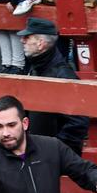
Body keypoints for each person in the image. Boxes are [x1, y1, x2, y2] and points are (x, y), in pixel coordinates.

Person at [16, 17, 89, 154]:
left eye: (27, 37)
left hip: (51, 156)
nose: (22, 40)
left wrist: (53, 150)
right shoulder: (36, 68)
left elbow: (78, 122)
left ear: (40, 44)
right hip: (35, 149)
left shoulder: (63, 75)